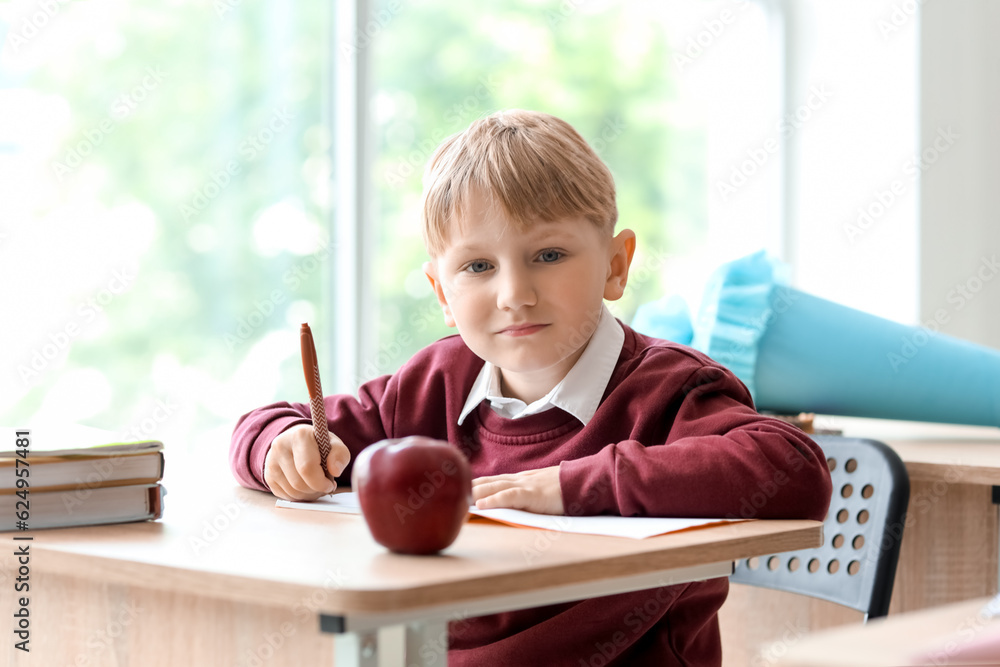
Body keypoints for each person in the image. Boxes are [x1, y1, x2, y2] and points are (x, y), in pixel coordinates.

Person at [230, 109, 832, 666]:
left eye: (548, 254)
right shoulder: (430, 385)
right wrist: (280, 446)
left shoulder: (671, 390)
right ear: (442, 292)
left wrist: (567, 486)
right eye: (478, 267)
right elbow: (268, 423)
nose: (514, 293)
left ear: (616, 266)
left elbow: (793, 468)